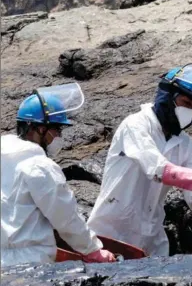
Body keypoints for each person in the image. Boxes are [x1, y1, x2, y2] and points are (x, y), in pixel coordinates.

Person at [87, 64, 192, 257]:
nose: (189, 110)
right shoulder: (135, 125)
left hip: (151, 238)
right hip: (110, 232)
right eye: (185, 102)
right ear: (167, 96)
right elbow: (157, 169)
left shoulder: (188, 147)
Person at [1, 83, 116, 267]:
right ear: (39, 129)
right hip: (30, 263)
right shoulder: (39, 166)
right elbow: (65, 216)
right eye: (56, 129)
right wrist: (92, 250)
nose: (59, 136)